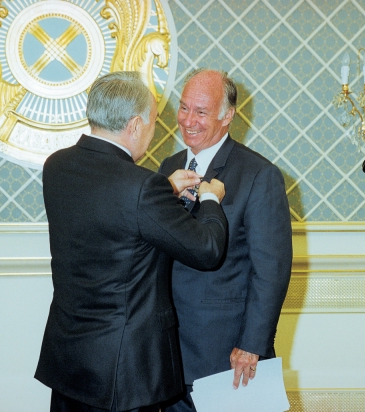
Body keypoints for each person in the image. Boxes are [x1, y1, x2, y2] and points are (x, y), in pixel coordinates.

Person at [35, 71, 228, 412]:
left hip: (69, 358)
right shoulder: (140, 186)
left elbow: (107, 212)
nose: (154, 132)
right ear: (136, 124)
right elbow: (207, 250)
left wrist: (165, 190)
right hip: (123, 373)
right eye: (154, 122)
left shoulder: (57, 166)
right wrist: (211, 199)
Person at [159, 68, 293, 412]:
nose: (188, 120)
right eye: (184, 107)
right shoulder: (166, 169)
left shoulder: (259, 175)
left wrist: (253, 345)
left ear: (227, 116)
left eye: (201, 112)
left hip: (226, 357)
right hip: (167, 356)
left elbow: (271, 269)